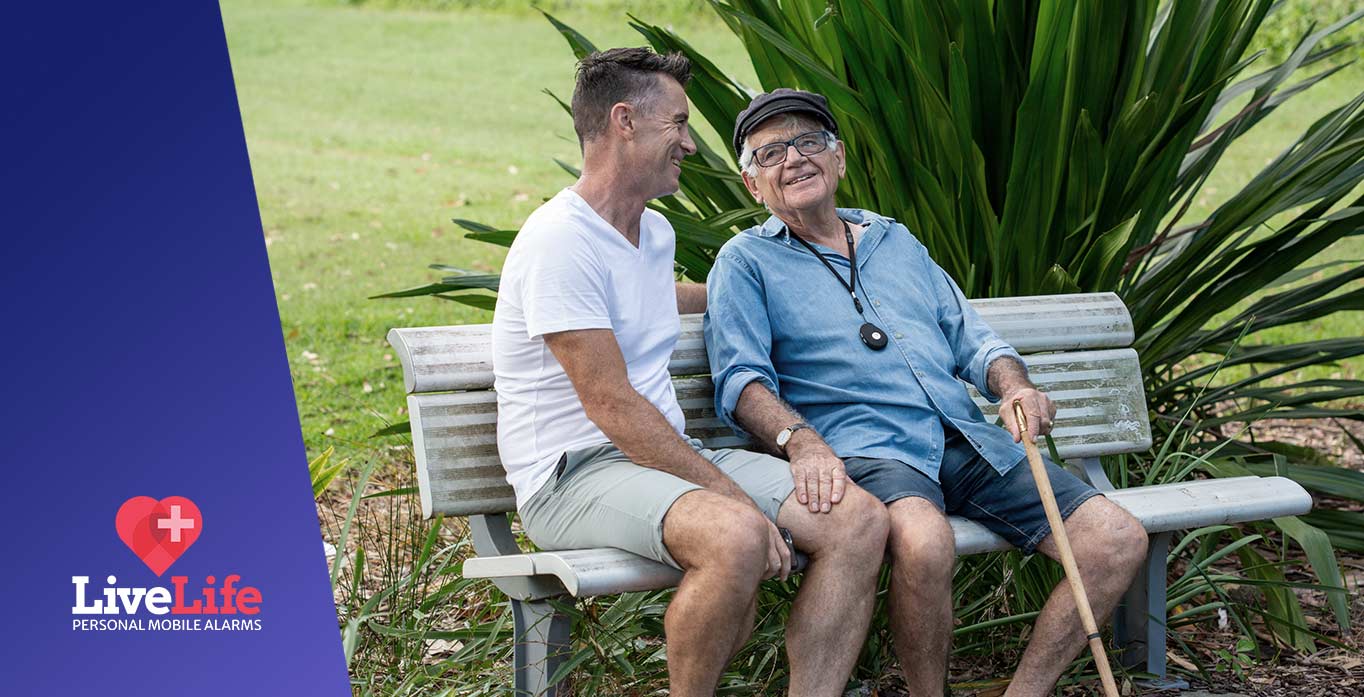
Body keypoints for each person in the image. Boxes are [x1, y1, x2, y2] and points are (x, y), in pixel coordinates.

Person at [704, 88, 1150, 697]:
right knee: (924, 539)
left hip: (965, 438)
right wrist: (799, 442)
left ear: (838, 159)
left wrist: (1015, 386)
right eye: (771, 152)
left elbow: (972, 336)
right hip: (868, 451)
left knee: (1117, 539)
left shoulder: (895, 241)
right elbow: (741, 380)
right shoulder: (745, 262)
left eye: (809, 142)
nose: (795, 159)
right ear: (753, 184)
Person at [492, 51, 889, 697]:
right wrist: (733, 498)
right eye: (677, 123)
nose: (690, 141)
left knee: (857, 518)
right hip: (571, 475)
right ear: (624, 121)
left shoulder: (651, 230)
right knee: (734, 535)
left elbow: (660, 296)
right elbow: (612, 406)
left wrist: (772, 290)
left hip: (660, 458)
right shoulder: (557, 243)